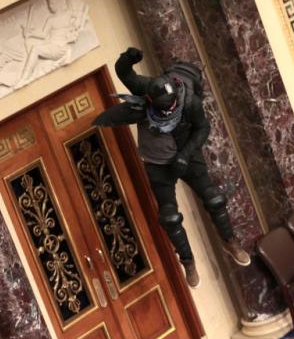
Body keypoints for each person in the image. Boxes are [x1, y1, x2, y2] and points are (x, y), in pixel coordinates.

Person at [93, 47, 251, 288]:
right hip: (157, 163)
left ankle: (230, 241)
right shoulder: (147, 88)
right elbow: (124, 73)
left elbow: (203, 129)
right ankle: (187, 261)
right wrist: (129, 57)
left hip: (185, 154)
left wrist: (186, 156)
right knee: (169, 217)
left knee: (214, 198)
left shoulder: (190, 101)